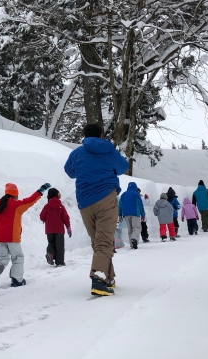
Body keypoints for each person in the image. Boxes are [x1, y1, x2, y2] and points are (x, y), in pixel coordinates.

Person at [64, 123, 129, 297]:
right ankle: (99, 279)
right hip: (106, 198)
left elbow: (69, 171)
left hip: (85, 202)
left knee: (98, 241)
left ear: (85, 136)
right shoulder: (109, 151)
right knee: (104, 241)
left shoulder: (78, 153)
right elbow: (123, 167)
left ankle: (108, 277)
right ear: (101, 135)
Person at [0, 182, 51, 288]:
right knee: (17, 257)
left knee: (2, 258)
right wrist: (41, 190)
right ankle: (17, 279)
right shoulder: (16, 205)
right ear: (15, 195)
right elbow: (30, 200)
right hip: (12, 238)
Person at [39, 188, 72, 266]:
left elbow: (41, 217)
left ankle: (50, 254)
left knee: (51, 243)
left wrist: (46, 218)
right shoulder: (60, 206)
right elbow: (65, 218)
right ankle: (59, 262)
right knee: (59, 245)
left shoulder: (47, 206)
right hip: (59, 230)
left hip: (49, 229)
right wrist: (68, 227)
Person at [118, 182, 145, 249]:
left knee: (130, 229)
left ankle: (132, 244)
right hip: (135, 213)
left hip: (126, 214)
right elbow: (140, 205)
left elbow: (120, 206)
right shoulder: (136, 194)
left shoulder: (123, 195)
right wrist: (143, 214)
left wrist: (120, 214)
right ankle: (134, 239)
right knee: (137, 228)